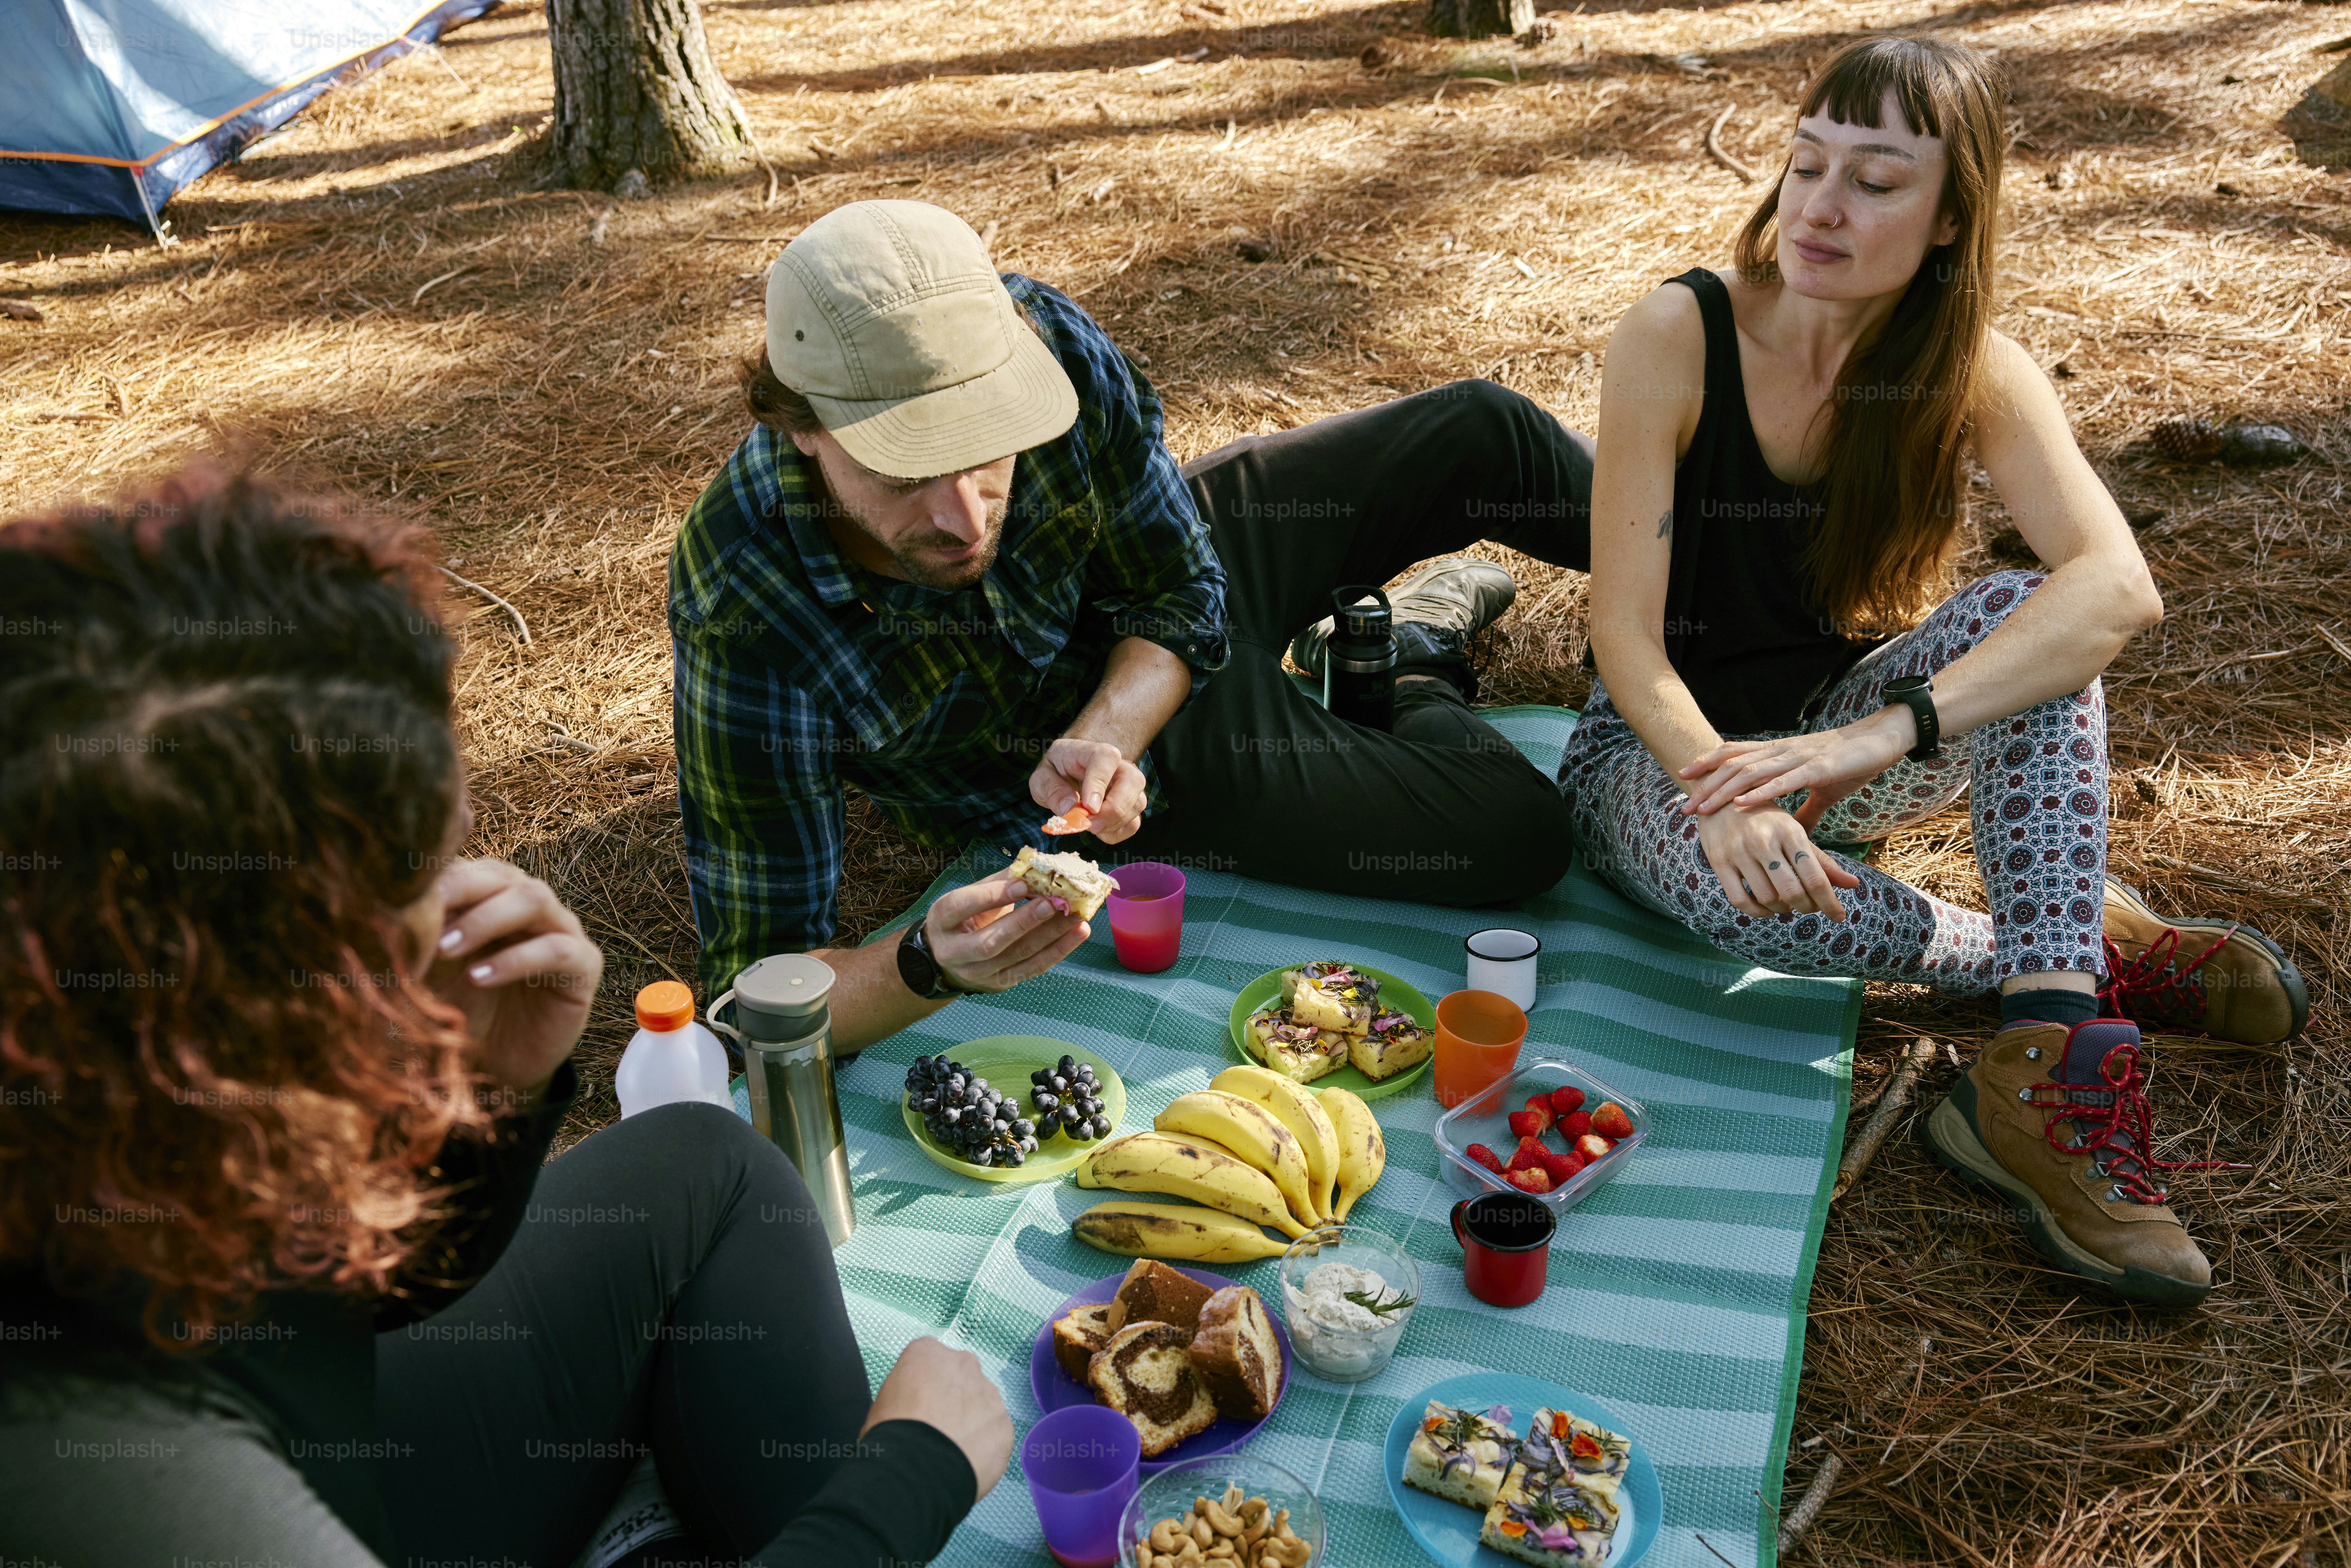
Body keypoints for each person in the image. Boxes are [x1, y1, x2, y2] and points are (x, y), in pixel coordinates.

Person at [0, 468, 1014, 1566]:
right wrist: (905, 1477)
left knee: (701, 1161)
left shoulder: (117, 1107)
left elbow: (346, 1298)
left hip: (351, 1435)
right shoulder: (114, 1466)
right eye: (417, 884)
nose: (464, 890)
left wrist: (486, 1101)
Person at [1566, 36, 2306, 1306]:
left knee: (2042, 618)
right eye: (1805, 165)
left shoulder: (1970, 367)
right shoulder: (1675, 333)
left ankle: (2033, 1078)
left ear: (1951, 215)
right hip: (1657, 750)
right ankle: (2076, 963)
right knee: (1730, 891)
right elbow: (1622, 636)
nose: (1819, 206)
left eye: (1874, 179)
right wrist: (1718, 785)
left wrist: (1877, 736)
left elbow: (2114, 587)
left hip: (1830, 740)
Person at [671, 198, 1600, 1013]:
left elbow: (1177, 584)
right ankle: (1412, 659)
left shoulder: (1045, 336)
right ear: (798, 424)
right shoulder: (745, 604)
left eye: (989, 445)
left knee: (1487, 433)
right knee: (1515, 833)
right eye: (905, 469)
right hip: (1129, 785)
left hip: (1152, 625)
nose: (962, 519)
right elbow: (762, 989)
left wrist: (1110, 727)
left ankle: (1734, 623)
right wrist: (926, 964)